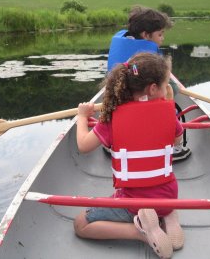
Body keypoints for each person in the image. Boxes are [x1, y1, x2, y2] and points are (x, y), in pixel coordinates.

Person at [75, 53, 185, 259]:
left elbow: (83, 145)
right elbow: (178, 140)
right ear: (153, 89)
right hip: (169, 196)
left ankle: (140, 232)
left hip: (134, 203)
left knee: (81, 224)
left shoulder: (112, 117)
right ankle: (168, 215)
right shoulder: (168, 113)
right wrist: (167, 102)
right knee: (162, 200)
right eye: (165, 84)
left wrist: (82, 117)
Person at [107, 5, 191, 160]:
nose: (162, 38)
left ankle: (111, 141)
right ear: (146, 35)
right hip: (142, 111)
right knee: (169, 91)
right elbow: (164, 87)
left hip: (120, 110)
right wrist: (171, 86)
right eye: (160, 34)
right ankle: (172, 141)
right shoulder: (147, 58)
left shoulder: (125, 42)